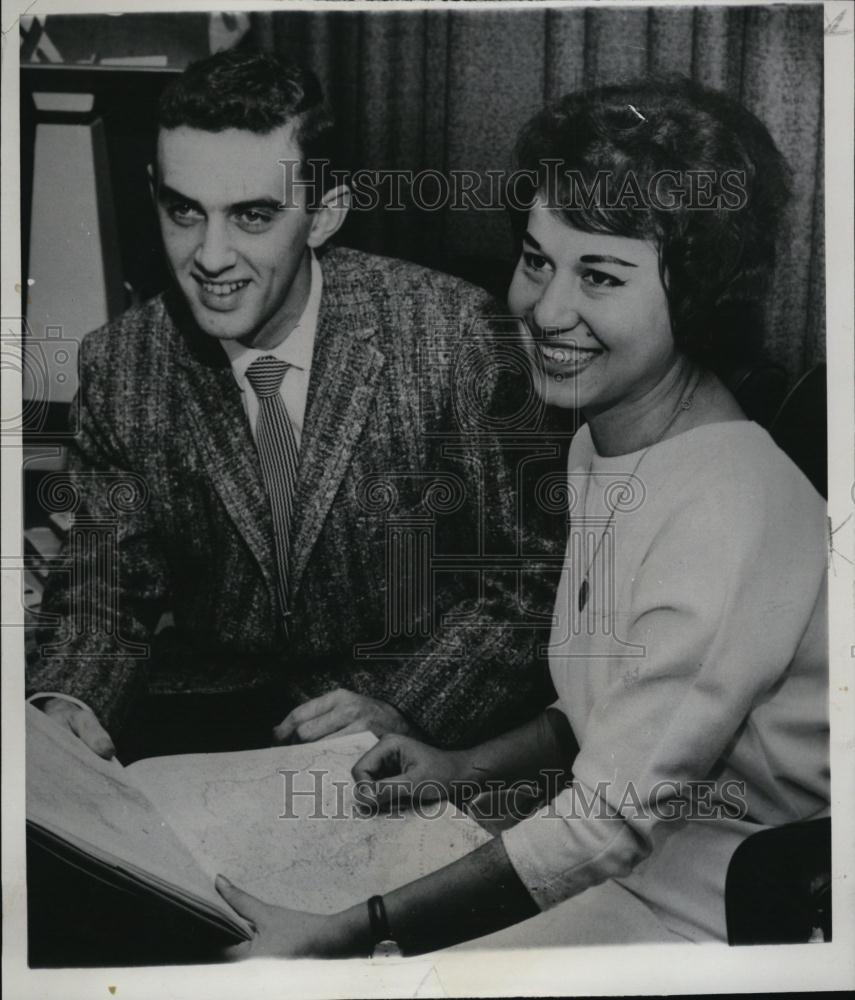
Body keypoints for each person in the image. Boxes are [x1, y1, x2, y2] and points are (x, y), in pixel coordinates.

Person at [214, 77, 830, 952]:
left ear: (696, 295)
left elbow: (605, 820)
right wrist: (462, 766)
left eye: (600, 276)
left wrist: (348, 932)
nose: (545, 310)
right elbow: (603, 710)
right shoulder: (603, 440)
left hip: (730, 918)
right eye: (538, 259)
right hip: (642, 867)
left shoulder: (730, 508)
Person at [25, 49, 561, 760]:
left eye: (251, 216)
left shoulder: (453, 335)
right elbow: (107, 586)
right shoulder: (123, 361)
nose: (209, 257)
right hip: (206, 727)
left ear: (323, 213)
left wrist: (405, 707)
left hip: (407, 722)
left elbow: (528, 584)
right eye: (183, 211)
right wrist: (69, 699)